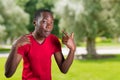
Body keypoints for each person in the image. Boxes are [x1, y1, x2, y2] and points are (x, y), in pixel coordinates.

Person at [5, 9, 76, 80]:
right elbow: (8, 74)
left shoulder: (53, 40)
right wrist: (14, 46)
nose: (49, 26)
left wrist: (72, 50)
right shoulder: (25, 41)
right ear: (35, 22)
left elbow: (64, 69)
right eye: (44, 21)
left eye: (51, 22)